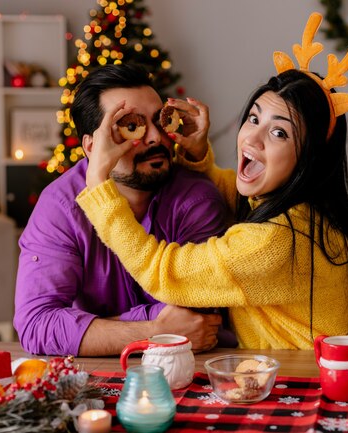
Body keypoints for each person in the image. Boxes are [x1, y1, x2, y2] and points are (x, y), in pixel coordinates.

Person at [75, 13, 348, 350]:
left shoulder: (276, 242)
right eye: (253, 118)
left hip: (308, 386)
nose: (252, 138)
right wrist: (195, 154)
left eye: (279, 132)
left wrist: (98, 187)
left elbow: (165, 272)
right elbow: (234, 192)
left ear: (310, 157)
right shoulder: (301, 210)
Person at [14, 64, 231, 357]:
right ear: (92, 147)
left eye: (160, 122)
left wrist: (95, 330)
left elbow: (196, 315)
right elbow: (37, 325)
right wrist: (152, 332)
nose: (156, 138)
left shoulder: (196, 199)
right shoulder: (61, 206)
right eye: (131, 126)